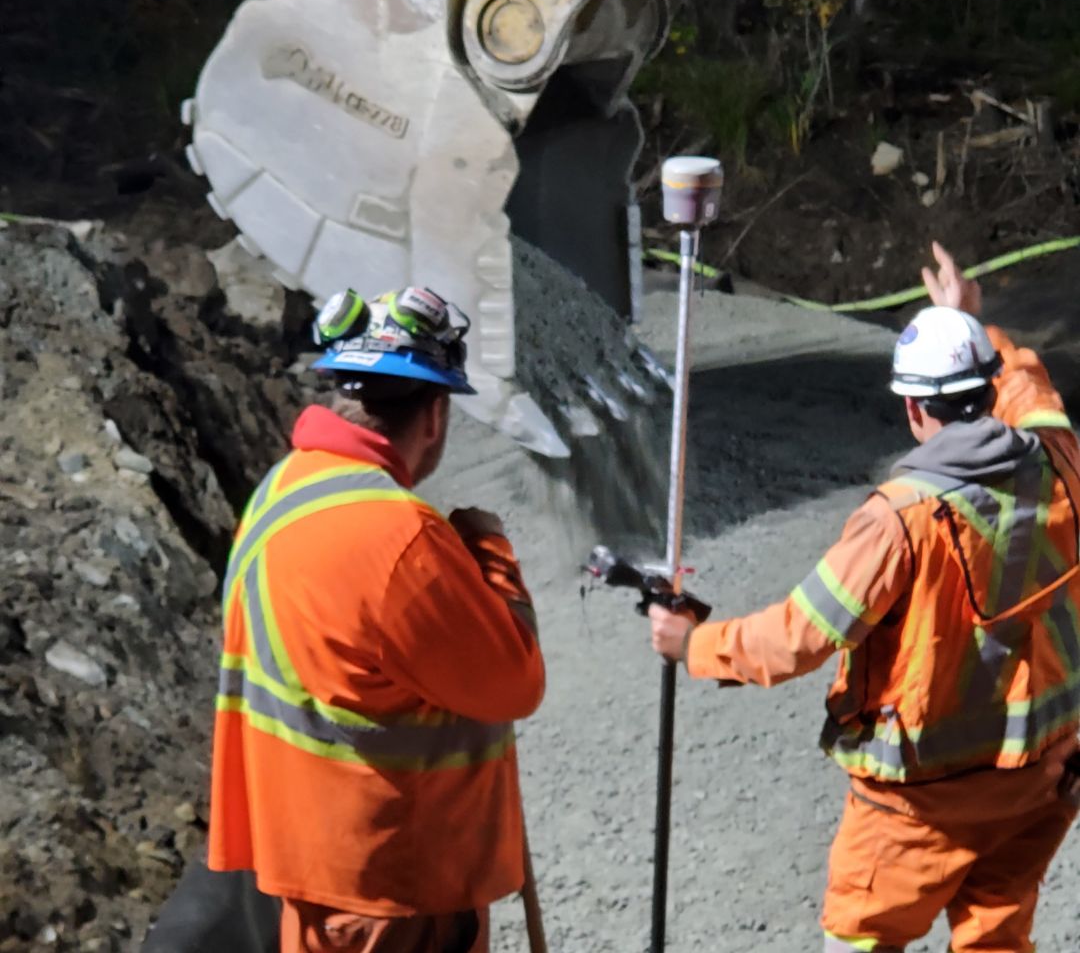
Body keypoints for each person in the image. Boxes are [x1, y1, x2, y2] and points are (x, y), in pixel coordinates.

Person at [648, 243, 1080, 953]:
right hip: (1037, 782)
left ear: (912, 408)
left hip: (916, 806)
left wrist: (691, 643)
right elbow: (1029, 384)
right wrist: (972, 323)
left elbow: (795, 639)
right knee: (998, 942)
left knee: (861, 943)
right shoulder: (1059, 458)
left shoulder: (899, 521)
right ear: (985, 386)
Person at [207, 285, 545, 953]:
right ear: (436, 415)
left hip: (308, 872)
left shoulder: (283, 488)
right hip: (399, 885)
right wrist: (491, 553)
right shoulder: (400, 538)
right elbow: (515, 682)